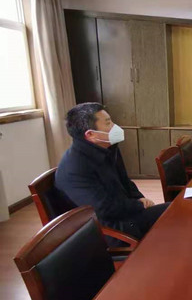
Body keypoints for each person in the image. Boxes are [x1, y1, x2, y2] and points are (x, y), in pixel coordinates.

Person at [56, 103, 170, 242]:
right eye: (108, 123)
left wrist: (140, 199)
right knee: (175, 218)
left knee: (177, 210)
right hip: (112, 229)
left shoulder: (107, 147)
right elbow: (104, 208)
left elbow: (125, 181)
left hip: (126, 214)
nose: (115, 126)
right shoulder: (75, 168)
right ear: (90, 134)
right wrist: (138, 205)